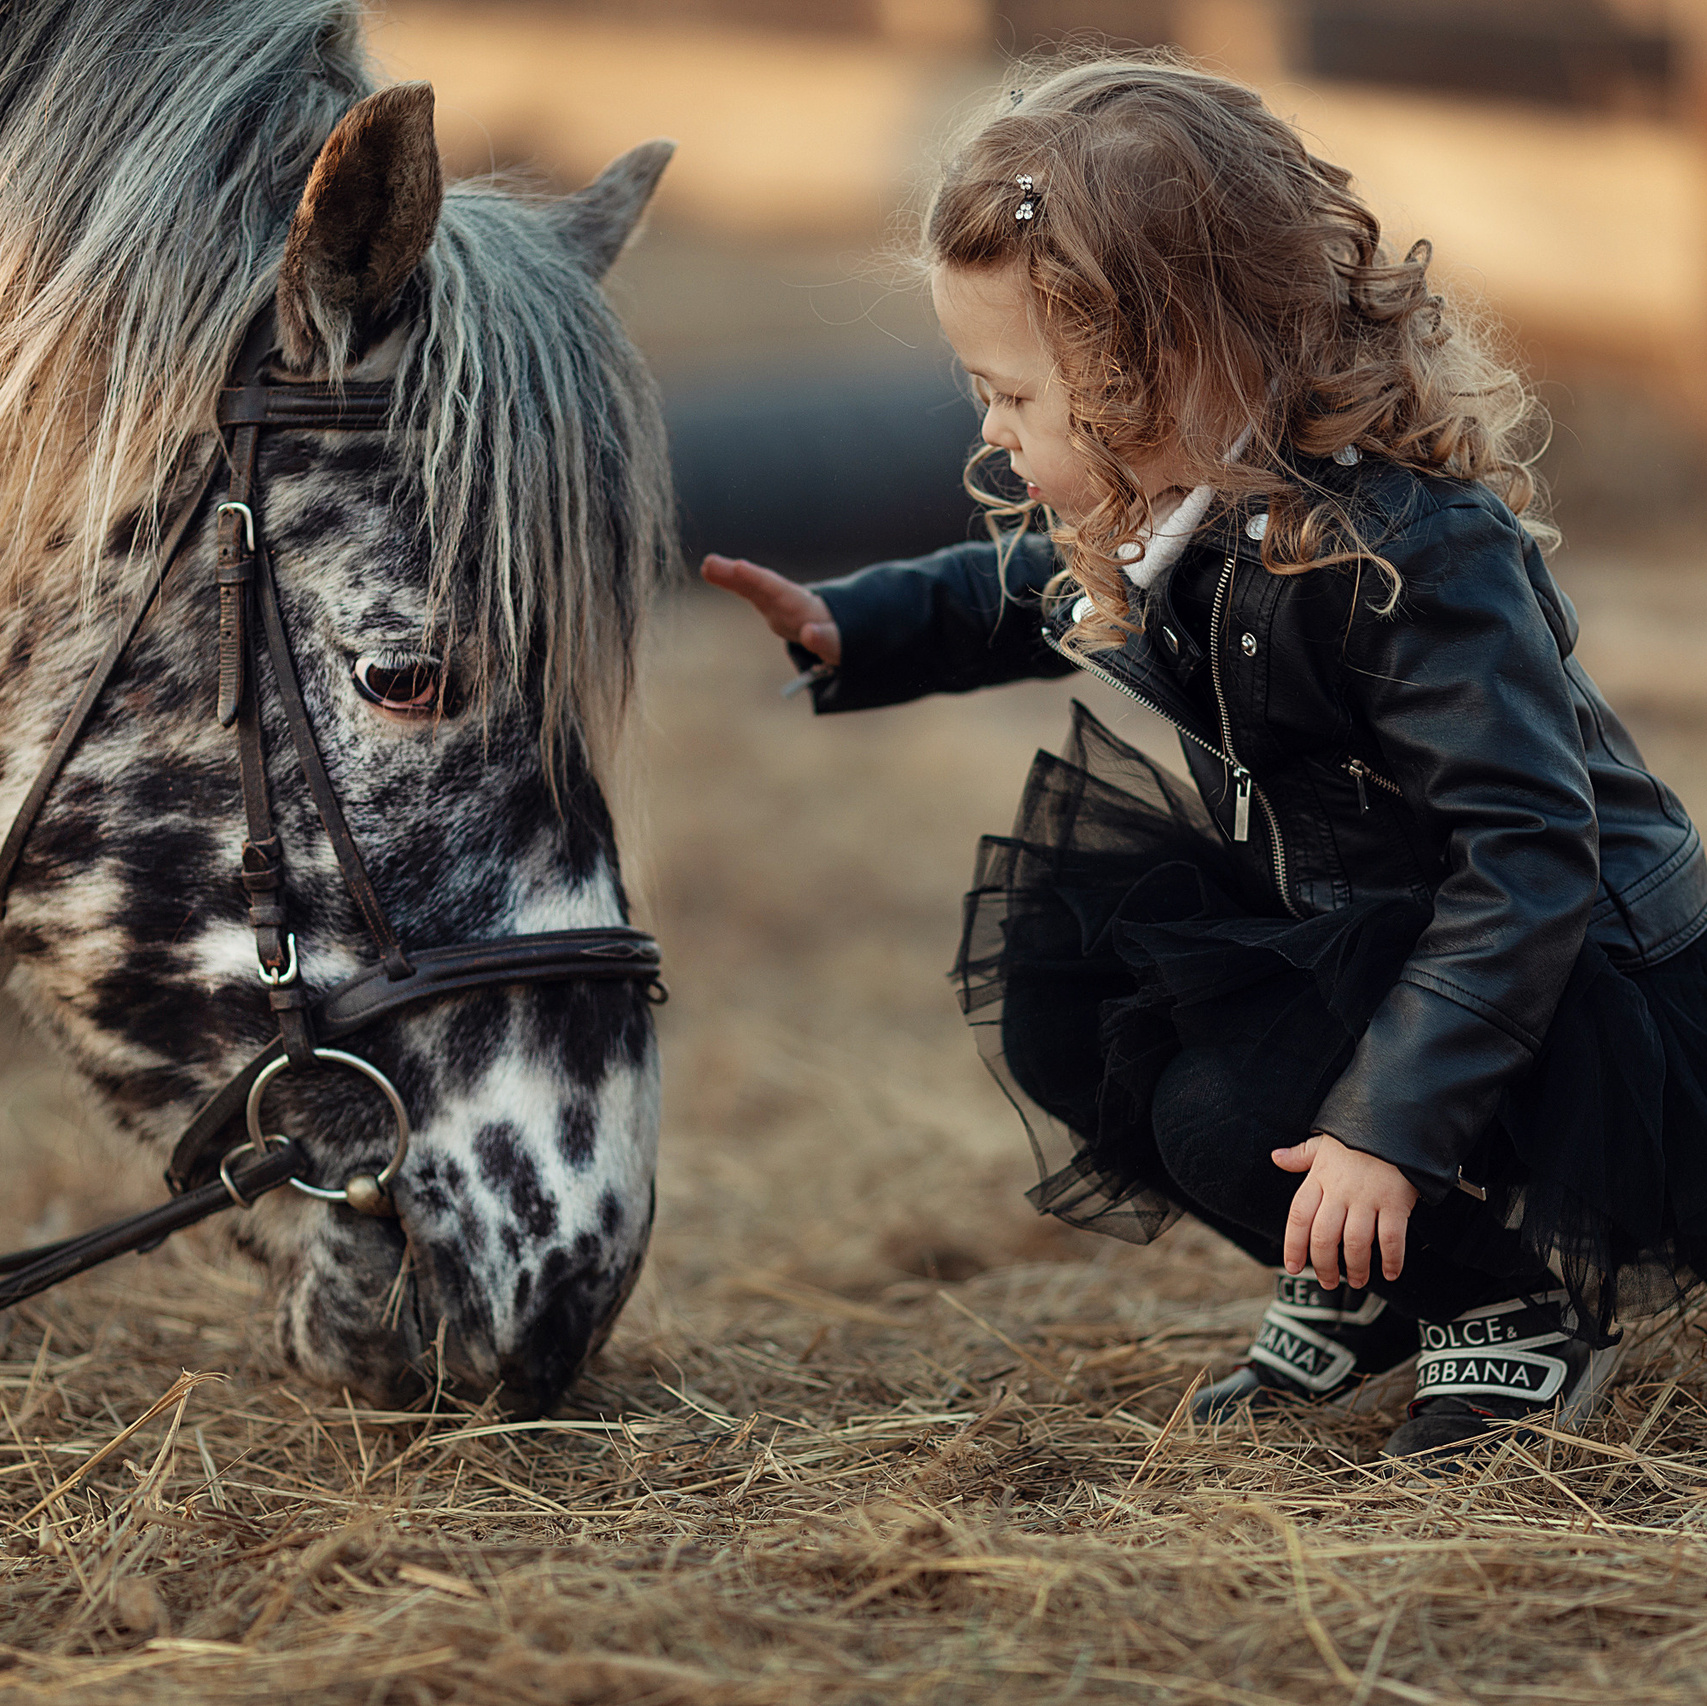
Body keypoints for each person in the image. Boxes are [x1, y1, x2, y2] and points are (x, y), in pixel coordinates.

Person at [702, 54, 1707, 1460]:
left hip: (1565, 968)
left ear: (1162, 369)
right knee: (1076, 1018)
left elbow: (1531, 856)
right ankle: (1376, 1282)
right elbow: (1035, 584)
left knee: (1230, 1113)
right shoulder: (1173, 490)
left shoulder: (1414, 552)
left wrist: (1385, 1130)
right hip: (1366, 923)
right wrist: (854, 628)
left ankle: (1507, 1307)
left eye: (1012, 396)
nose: (989, 430)